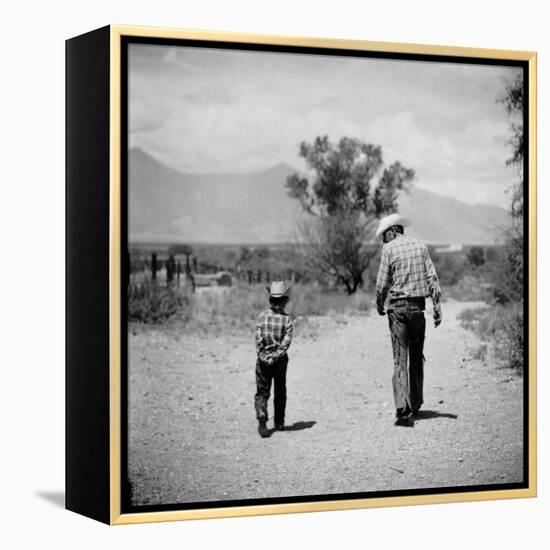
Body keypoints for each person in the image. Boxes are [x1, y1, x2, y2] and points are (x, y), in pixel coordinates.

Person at [375, 213, 442, 427]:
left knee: (399, 358)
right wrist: (437, 307)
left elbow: (382, 283)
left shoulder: (389, 249)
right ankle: (416, 403)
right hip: (418, 310)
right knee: (416, 357)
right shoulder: (421, 247)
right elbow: (432, 277)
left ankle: (402, 410)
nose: (384, 241)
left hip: (398, 311)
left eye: (385, 236)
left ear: (392, 231)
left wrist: (379, 304)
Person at [254, 281, 294, 438]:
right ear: (285, 301)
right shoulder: (287, 319)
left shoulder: (262, 317)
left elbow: (258, 340)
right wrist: (275, 356)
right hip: (280, 361)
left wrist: (264, 356)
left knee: (262, 390)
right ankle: (279, 422)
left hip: (263, 361)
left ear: (270, 300)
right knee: (280, 390)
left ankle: (262, 414)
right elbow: (286, 343)